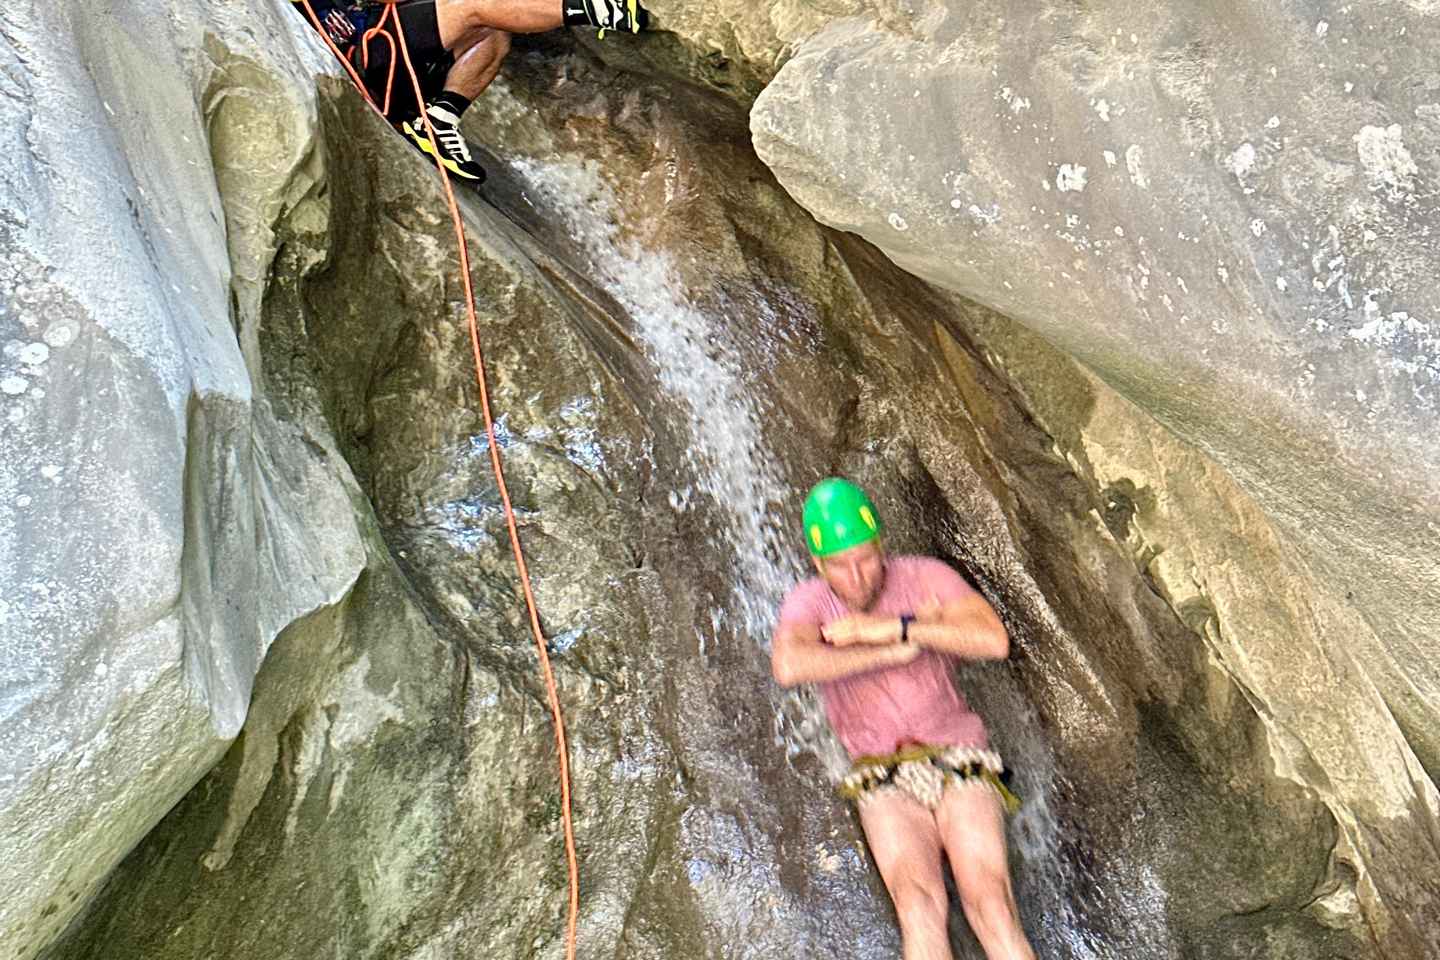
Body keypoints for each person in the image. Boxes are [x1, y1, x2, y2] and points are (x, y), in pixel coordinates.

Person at [771, 478, 1037, 960]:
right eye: (840, 565)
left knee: (991, 902)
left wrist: (896, 625)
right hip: (881, 775)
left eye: (866, 558)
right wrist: (890, 653)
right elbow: (790, 665)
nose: (856, 576)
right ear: (818, 565)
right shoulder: (809, 603)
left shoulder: (923, 576)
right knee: (917, 904)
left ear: (881, 546)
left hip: (960, 759)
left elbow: (992, 639)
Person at [289, 0, 650, 182]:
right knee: (471, 8)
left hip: (394, 69)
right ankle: (589, 8)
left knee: (495, 31)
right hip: (363, 56)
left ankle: (439, 120)